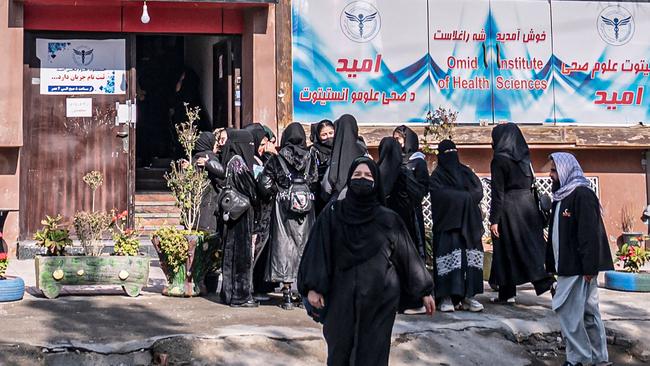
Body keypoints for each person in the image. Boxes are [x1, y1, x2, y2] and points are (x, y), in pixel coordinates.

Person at [298, 156, 435, 366]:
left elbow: (407, 256)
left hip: (379, 301)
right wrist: (313, 287)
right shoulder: (333, 214)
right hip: (340, 298)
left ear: (376, 182)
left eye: (369, 176)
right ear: (349, 179)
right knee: (339, 352)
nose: (362, 179)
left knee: (373, 355)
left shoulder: (388, 219)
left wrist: (424, 291)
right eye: (357, 175)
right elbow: (318, 250)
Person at [546, 152, 613, 366]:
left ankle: (579, 360)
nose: (550, 175)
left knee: (570, 314)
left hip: (578, 269)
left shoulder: (582, 195)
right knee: (586, 314)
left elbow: (589, 234)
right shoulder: (562, 196)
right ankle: (597, 359)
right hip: (568, 267)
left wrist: (589, 268)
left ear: (566, 170)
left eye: (554, 170)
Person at [489, 123, 554, 303]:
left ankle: (546, 283)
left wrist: (494, 219)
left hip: (509, 209)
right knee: (528, 247)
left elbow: (498, 192)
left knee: (514, 249)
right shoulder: (524, 158)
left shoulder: (499, 160)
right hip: (528, 207)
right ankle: (506, 293)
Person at [258, 122, 319, 310]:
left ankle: (286, 294)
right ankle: (302, 293)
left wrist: (279, 193)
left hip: (282, 210)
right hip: (306, 210)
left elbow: (264, 184)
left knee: (283, 247)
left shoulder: (277, 159)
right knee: (304, 246)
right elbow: (315, 181)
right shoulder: (310, 158)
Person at [429, 140, 485, 312]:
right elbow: (440, 196)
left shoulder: (466, 172)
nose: (451, 155)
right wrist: (465, 198)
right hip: (448, 226)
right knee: (449, 261)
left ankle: (468, 297)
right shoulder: (437, 176)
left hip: (468, 225)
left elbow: (478, 191)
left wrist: (460, 198)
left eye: (454, 150)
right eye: (448, 152)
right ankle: (446, 298)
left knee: (469, 260)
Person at [218, 130, 259, 307]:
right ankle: (240, 295)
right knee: (241, 256)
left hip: (233, 215)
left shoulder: (230, 161)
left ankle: (228, 293)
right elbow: (251, 190)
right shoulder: (238, 163)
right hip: (241, 217)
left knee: (230, 254)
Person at [393, 125, 429, 258]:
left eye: (399, 139)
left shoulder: (417, 160)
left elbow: (424, 186)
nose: (396, 142)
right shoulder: (393, 158)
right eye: (394, 139)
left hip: (412, 210)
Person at [323, 114, 367, 202]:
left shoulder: (336, 153)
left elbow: (326, 187)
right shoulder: (364, 153)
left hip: (339, 202)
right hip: (361, 202)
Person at [193, 132, 225, 234]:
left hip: (195, 209)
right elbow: (222, 174)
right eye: (215, 141)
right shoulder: (209, 157)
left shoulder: (194, 157)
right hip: (209, 206)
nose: (217, 143)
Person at [310, 119, 335, 215]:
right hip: (320, 195)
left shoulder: (339, 148)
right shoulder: (314, 150)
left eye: (331, 133)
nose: (328, 137)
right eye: (324, 135)